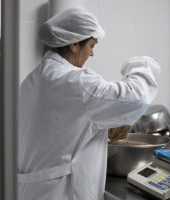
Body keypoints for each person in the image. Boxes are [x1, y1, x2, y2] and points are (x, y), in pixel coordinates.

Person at [18, 6, 161, 200]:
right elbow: (136, 98)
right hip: (63, 192)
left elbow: (57, 129)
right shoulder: (77, 82)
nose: (92, 54)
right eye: (91, 46)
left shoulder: (32, 81)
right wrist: (142, 64)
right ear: (75, 44)